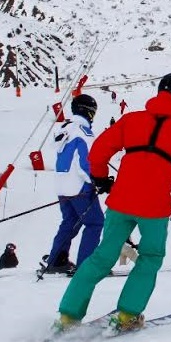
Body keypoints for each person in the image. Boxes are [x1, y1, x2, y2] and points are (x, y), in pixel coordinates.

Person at [54, 73, 171, 334]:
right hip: (155, 210)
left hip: (120, 202)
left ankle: (67, 316)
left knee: (101, 258)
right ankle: (128, 314)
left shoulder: (131, 120)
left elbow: (98, 150)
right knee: (150, 258)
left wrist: (100, 177)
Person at [44, 94, 103, 275]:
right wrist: (96, 181)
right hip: (79, 188)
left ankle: (56, 260)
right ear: (89, 112)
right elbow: (85, 163)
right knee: (95, 223)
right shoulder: (84, 133)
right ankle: (86, 265)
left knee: (70, 221)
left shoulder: (65, 129)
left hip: (62, 186)